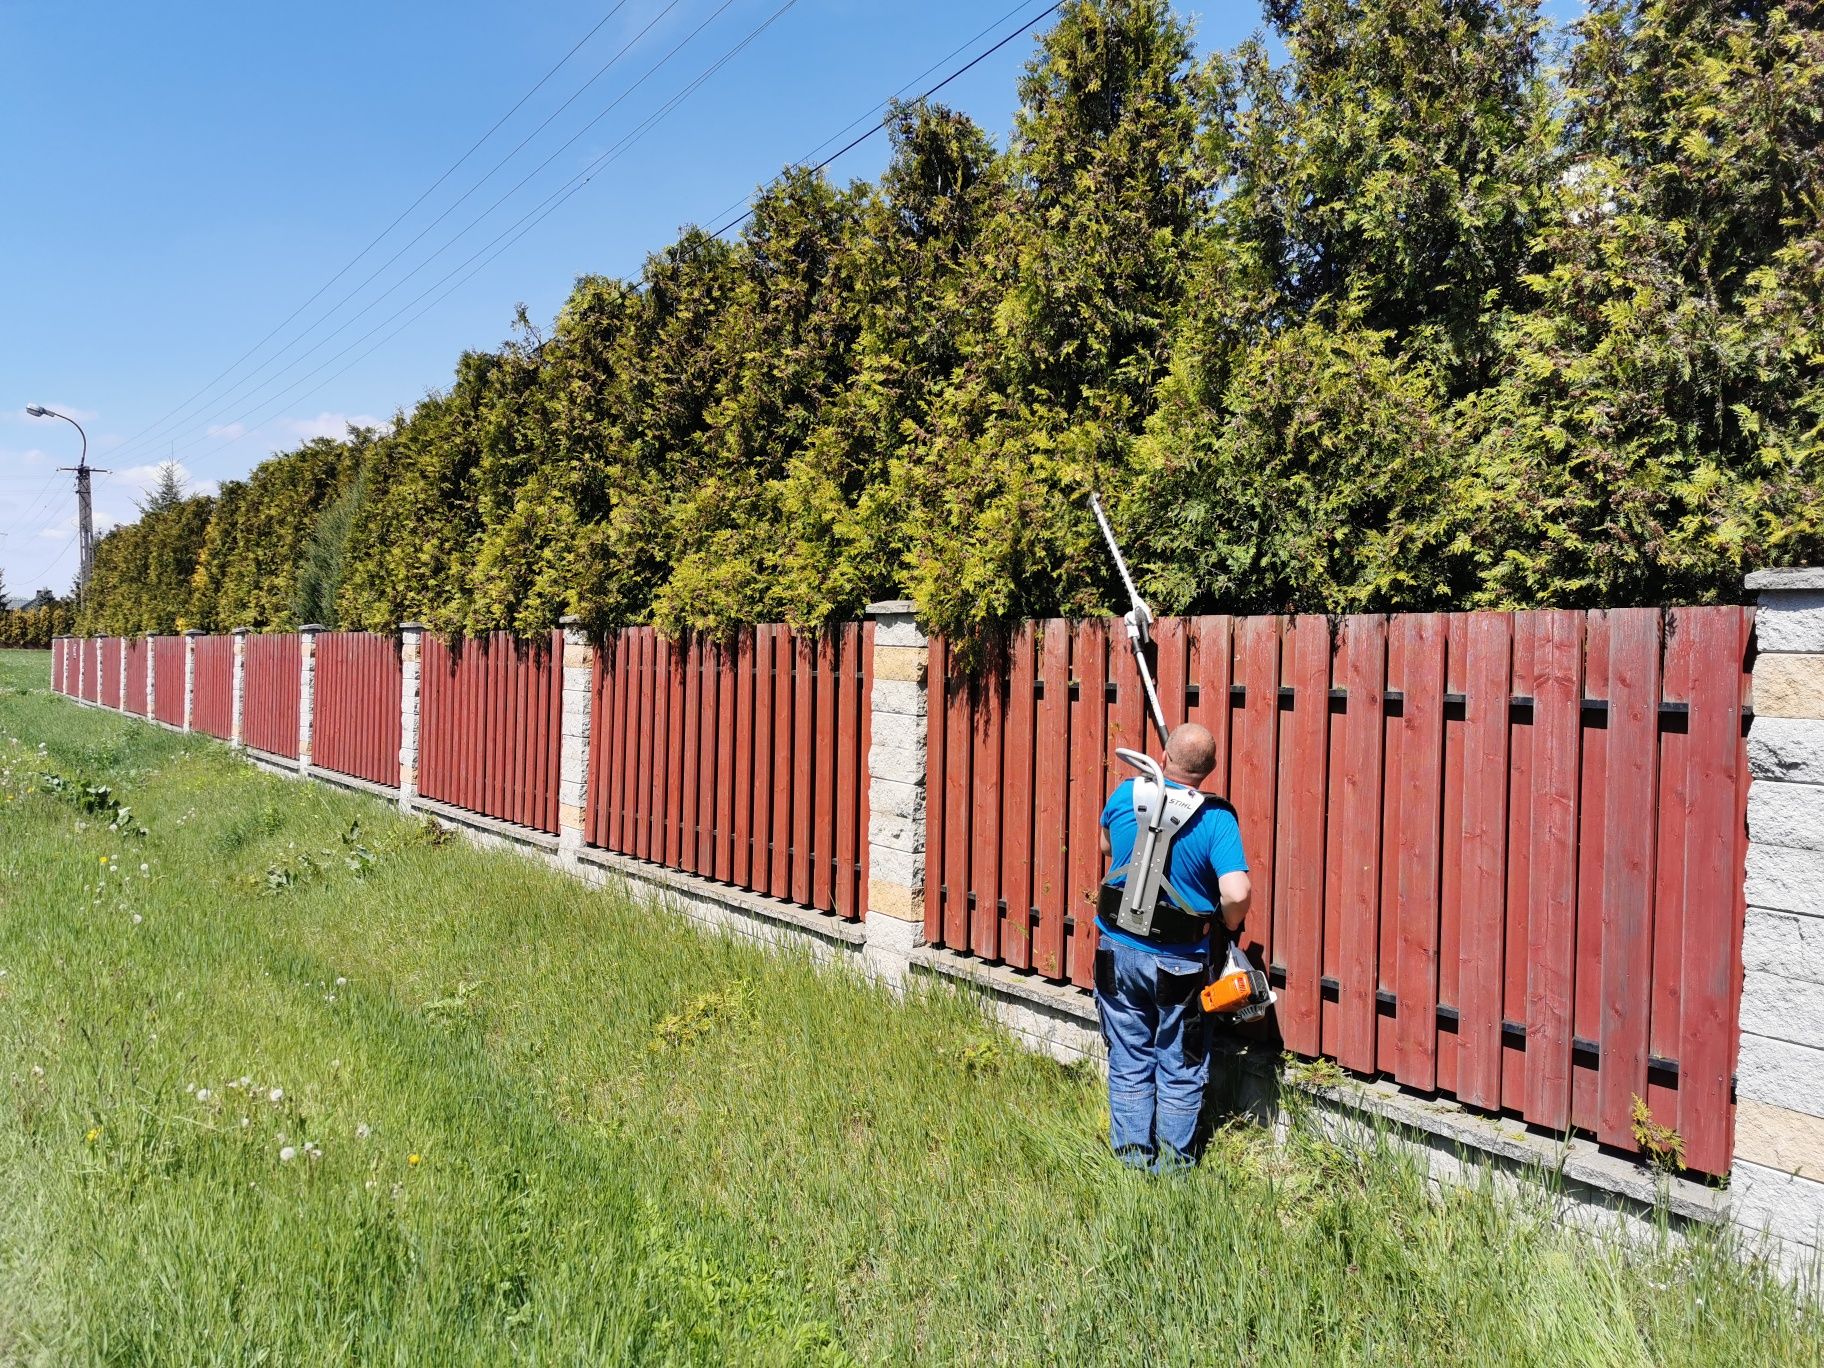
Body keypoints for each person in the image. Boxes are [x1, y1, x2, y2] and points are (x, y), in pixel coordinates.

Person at [1095, 722, 1251, 1170]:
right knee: (1179, 1062)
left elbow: (1107, 846)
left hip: (1116, 949)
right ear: (1211, 769)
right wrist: (1228, 923)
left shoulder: (1126, 794)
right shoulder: (1216, 818)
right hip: (1179, 962)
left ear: (1163, 757)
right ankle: (1174, 1168)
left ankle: (1131, 1163)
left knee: (1129, 1054)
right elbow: (1236, 893)